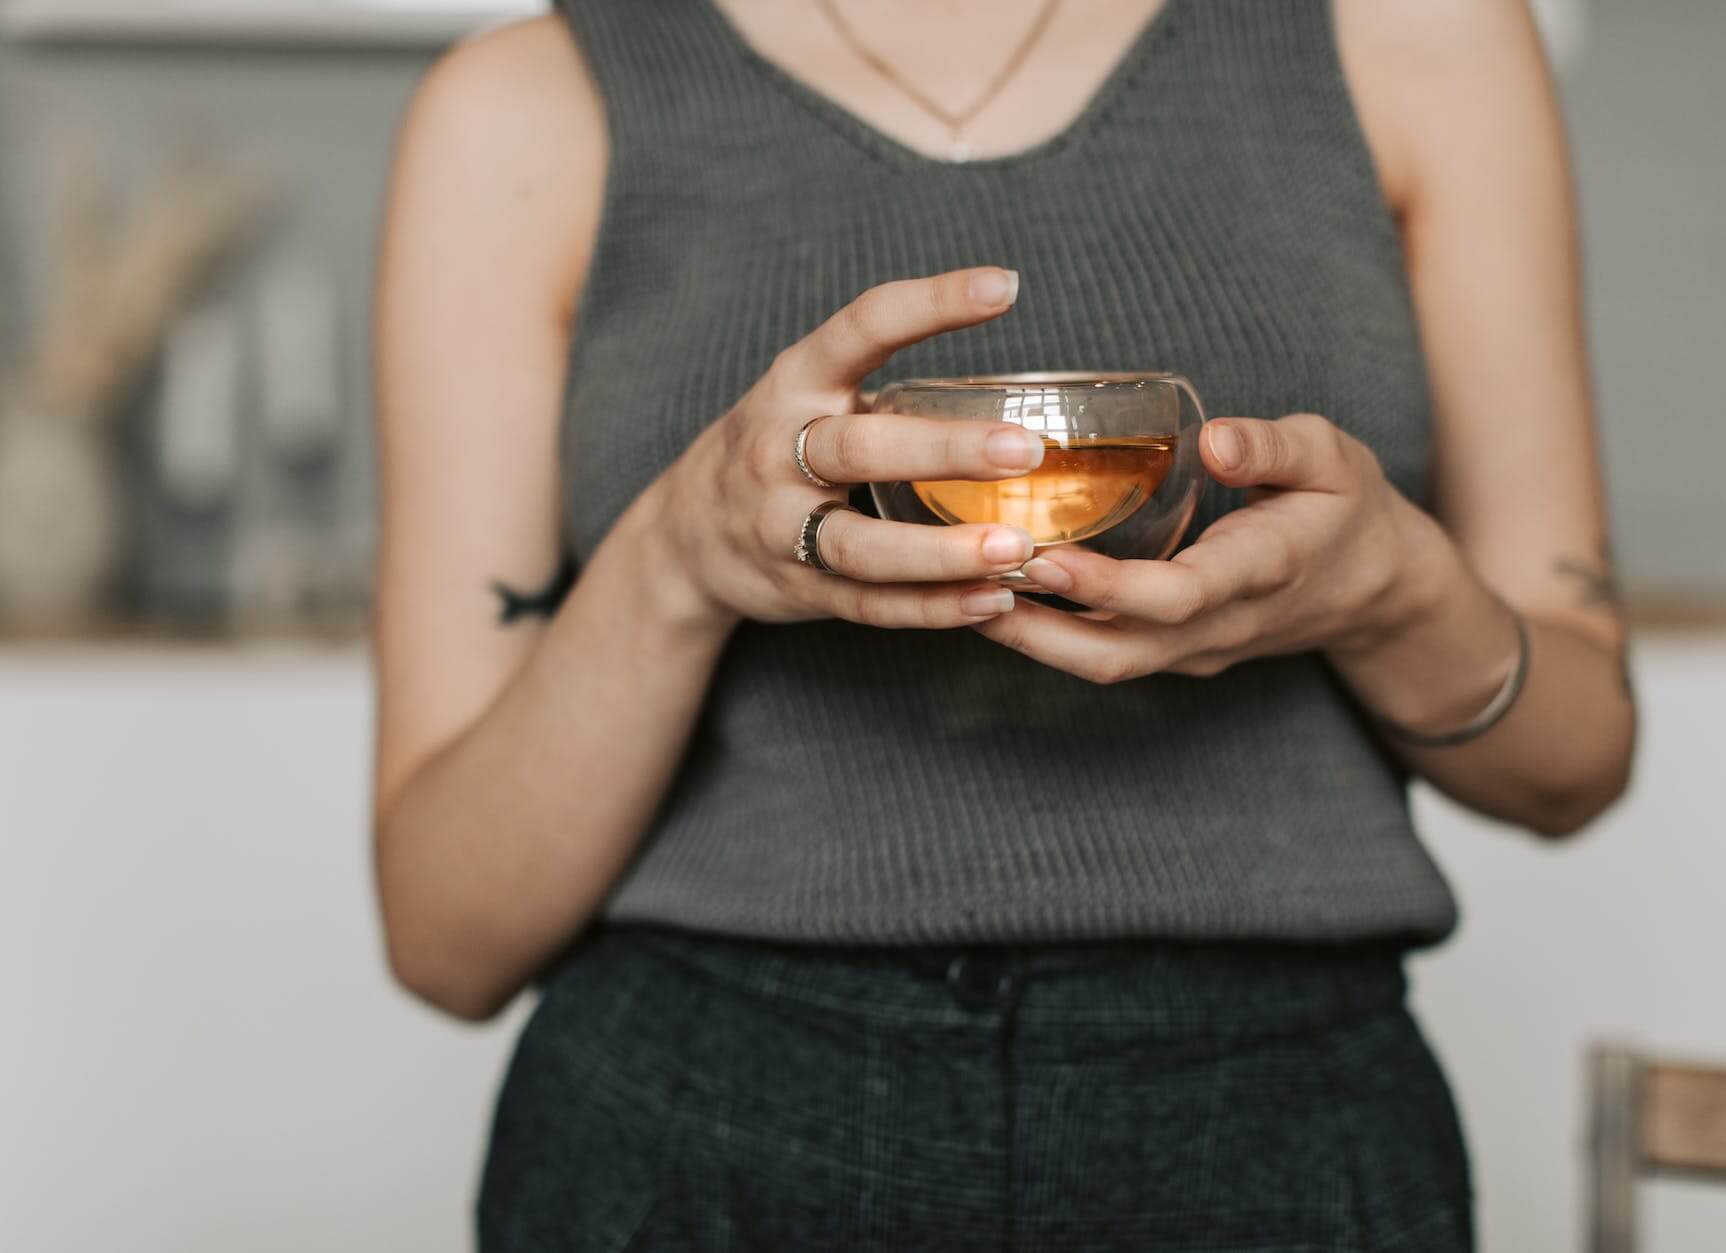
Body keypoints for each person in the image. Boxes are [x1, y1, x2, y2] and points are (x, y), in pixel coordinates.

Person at [371, 0, 1635, 1247]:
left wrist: (1391, 591)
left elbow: (1572, 765)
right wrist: (675, 558)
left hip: (1281, 1129)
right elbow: (447, 935)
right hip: (691, 1126)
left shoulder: (1420, 33)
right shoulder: (521, 112)